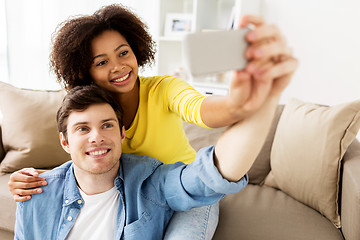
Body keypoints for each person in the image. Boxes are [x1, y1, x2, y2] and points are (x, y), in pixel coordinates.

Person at [8, 4, 297, 239]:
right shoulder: (86, 108)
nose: (118, 66)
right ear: (85, 71)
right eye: (101, 61)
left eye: (123, 53)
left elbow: (203, 110)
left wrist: (240, 102)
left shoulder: (163, 89)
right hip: (134, 196)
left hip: (178, 186)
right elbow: (79, 156)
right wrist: (32, 180)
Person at [15, 82, 283, 239]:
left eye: (106, 126)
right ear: (65, 142)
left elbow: (207, 177)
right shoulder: (37, 193)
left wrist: (265, 98)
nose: (96, 137)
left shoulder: (150, 180)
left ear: (122, 134)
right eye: (82, 129)